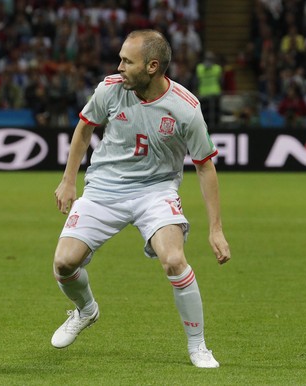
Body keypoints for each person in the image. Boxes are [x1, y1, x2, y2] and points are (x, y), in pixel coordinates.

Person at [51, 30, 231, 369]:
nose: (119, 66)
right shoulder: (110, 90)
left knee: (175, 261)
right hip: (105, 188)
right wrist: (68, 181)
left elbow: (205, 168)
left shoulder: (186, 108)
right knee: (63, 264)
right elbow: (84, 128)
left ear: (152, 67)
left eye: (126, 61)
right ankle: (86, 311)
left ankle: (198, 346)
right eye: (120, 58)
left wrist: (216, 229)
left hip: (156, 191)